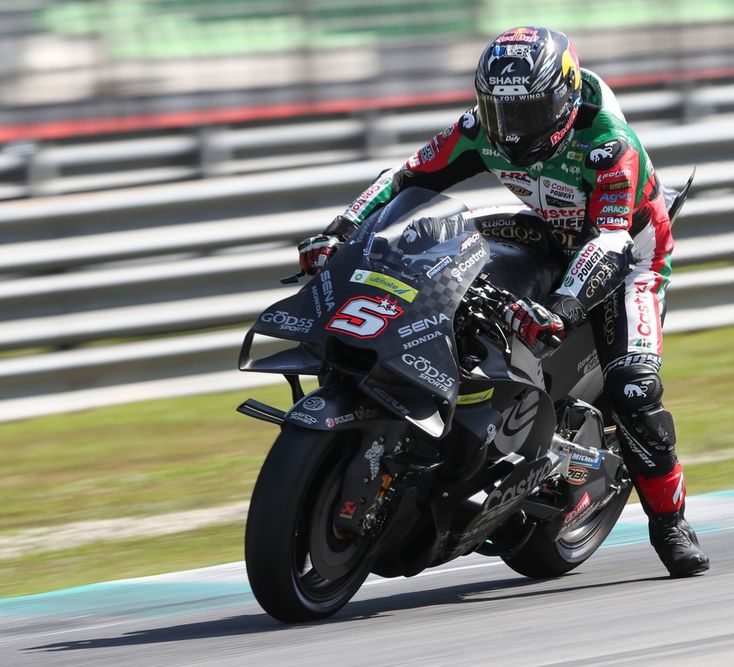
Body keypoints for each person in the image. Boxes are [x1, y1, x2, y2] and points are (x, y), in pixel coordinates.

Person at [298, 26, 709, 576]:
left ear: (563, 97)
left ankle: (671, 522)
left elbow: (608, 241)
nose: (513, 129)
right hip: (542, 234)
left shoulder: (609, 143)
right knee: (442, 277)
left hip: (628, 259)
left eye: (530, 112)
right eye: (501, 113)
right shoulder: (476, 128)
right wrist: (342, 230)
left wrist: (561, 310)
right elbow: (406, 178)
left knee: (634, 390)